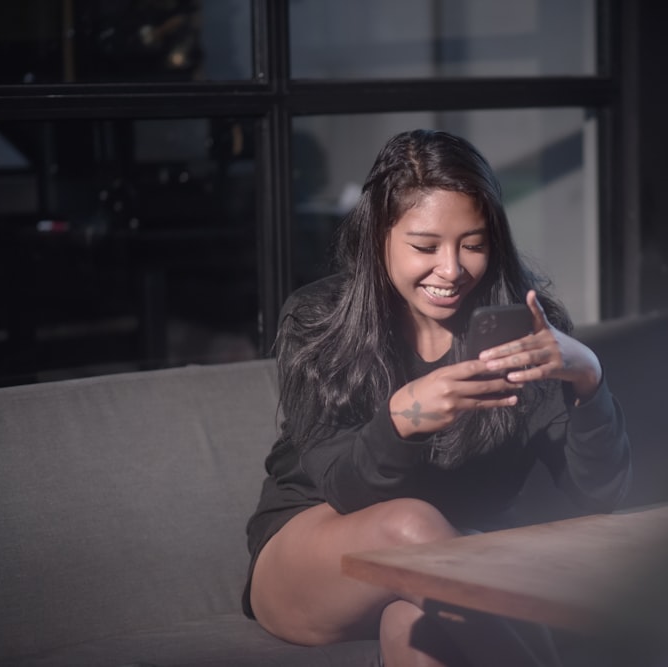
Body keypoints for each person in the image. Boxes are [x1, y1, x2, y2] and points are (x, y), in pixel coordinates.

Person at [243, 129, 631, 666]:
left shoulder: (526, 333)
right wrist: (403, 418)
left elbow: (598, 496)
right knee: (411, 523)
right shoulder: (319, 320)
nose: (451, 270)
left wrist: (588, 376)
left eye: (472, 245)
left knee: (416, 632)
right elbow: (345, 491)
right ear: (379, 235)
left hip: (450, 569)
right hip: (316, 556)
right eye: (425, 247)